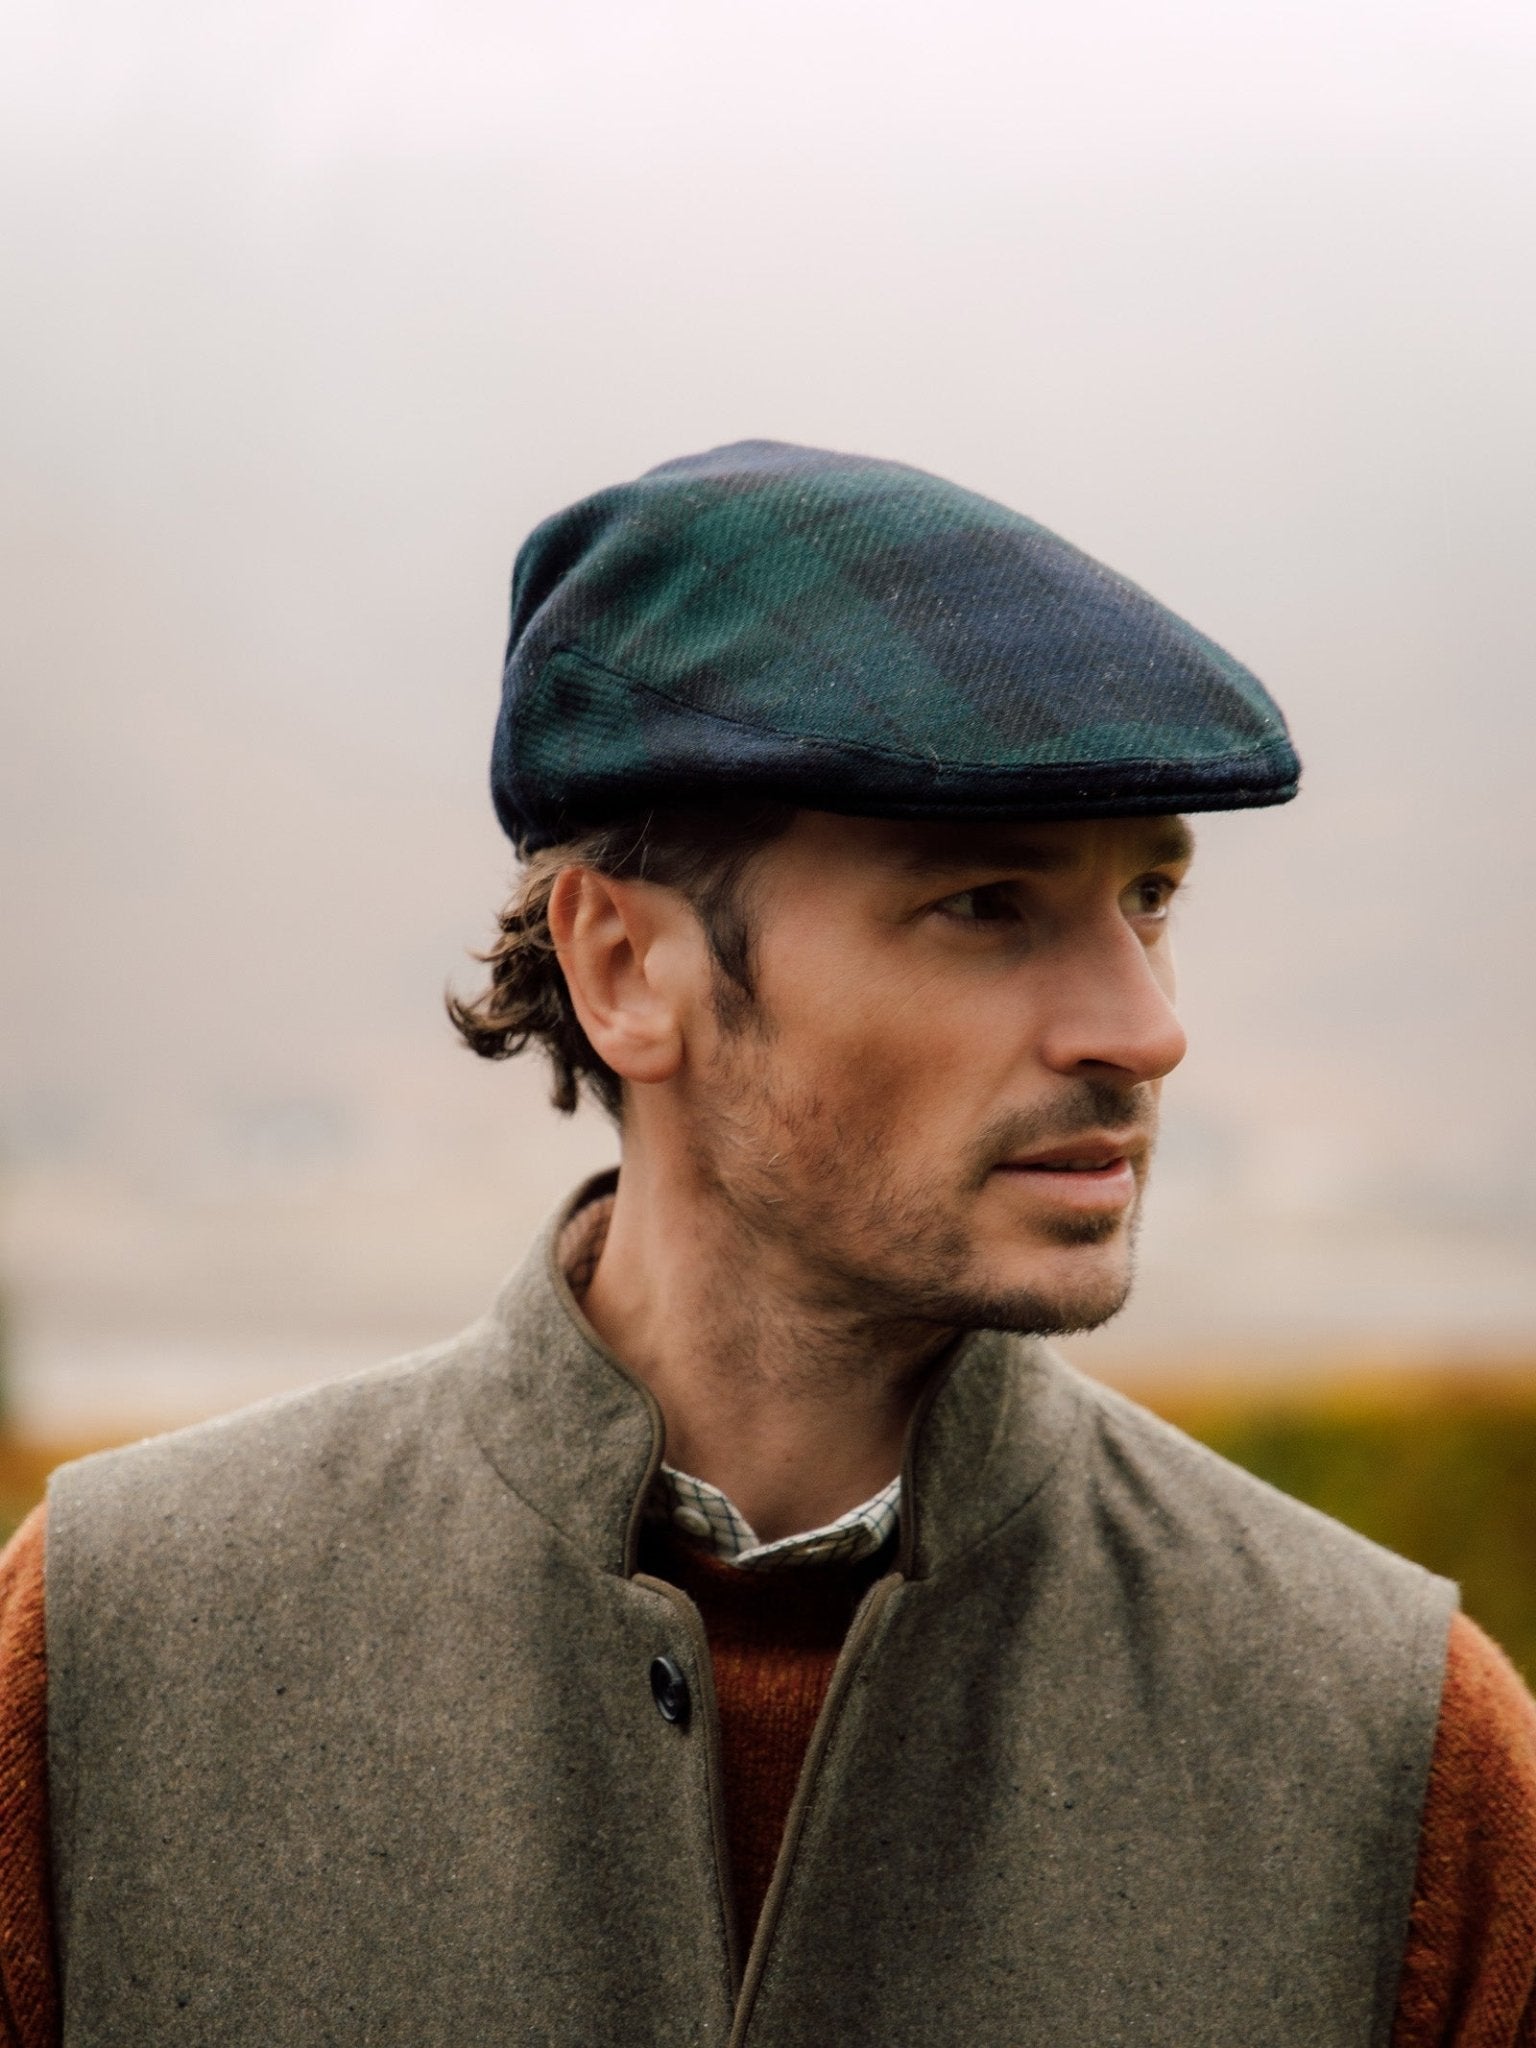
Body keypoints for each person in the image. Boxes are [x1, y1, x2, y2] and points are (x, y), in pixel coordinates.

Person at [2, 440, 1532, 2046]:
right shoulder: (117, 1650)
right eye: (988, 905)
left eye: (1149, 898)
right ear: (627, 969)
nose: (1144, 1031)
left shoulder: (1397, 1747)